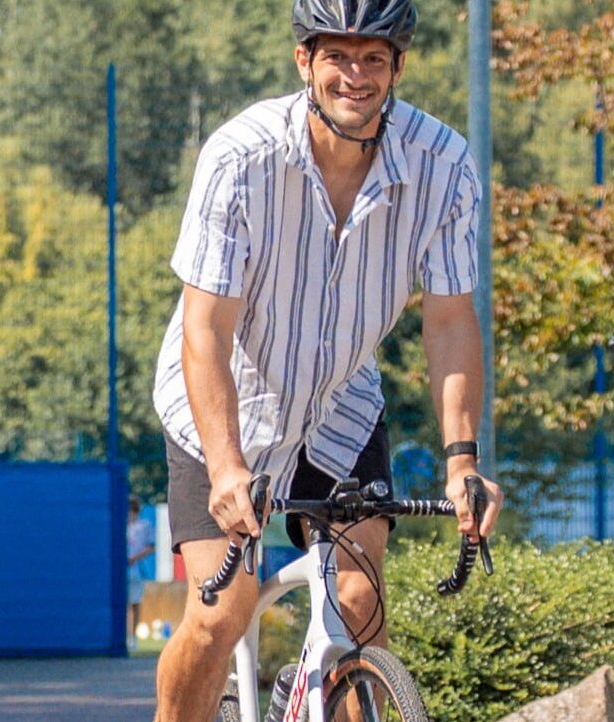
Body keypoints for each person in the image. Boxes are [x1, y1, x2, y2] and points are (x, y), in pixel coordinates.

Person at [150, 0, 504, 719]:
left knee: (359, 602)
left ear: (398, 66)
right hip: (225, 402)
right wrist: (225, 468)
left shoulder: (443, 165)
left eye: (374, 58)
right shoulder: (241, 158)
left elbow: (449, 320)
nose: (356, 75)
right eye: (337, 56)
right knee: (223, 613)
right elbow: (205, 330)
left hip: (339, 402)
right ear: (304, 62)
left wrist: (462, 461)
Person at [127, 498, 156, 643]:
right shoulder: (120, 525)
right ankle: (125, 635)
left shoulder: (144, 526)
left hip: (135, 569)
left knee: (135, 602)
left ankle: (133, 637)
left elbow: (151, 546)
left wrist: (134, 558)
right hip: (120, 571)